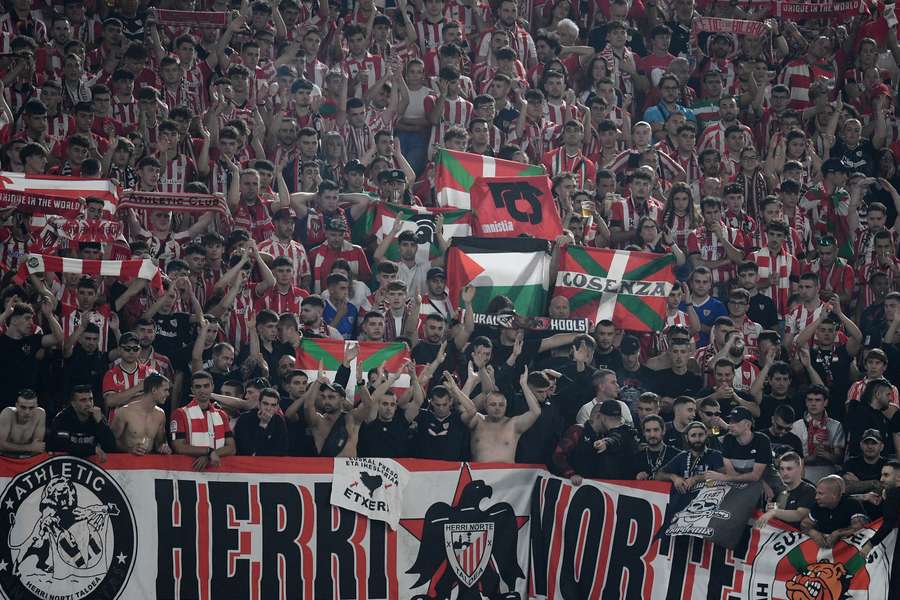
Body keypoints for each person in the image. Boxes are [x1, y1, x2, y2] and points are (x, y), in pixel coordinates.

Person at [446, 367, 541, 463]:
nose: (497, 408)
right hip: (478, 475)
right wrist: (464, 384)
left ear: (506, 406)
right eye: (493, 404)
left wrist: (524, 385)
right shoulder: (477, 421)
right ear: (485, 406)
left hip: (507, 476)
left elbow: (536, 412)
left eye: (501, 405)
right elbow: (461, 408)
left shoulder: (513, 424)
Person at [553, 400, 639, 484]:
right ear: (599, 416)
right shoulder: (578, 431)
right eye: (610, 419)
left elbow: (619, 437)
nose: (614, 423)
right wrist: (571, 474)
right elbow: (559, 455)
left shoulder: (609, 436)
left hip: (598, 489)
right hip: (576, 487)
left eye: (617, 419)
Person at [170, 371, 237, 470]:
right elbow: (178, 447)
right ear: (192, 390)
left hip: (218, 472)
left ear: (212, 387)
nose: (202, 390)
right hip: (189, 470)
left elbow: (231, 448)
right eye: (198, 387)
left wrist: (209, 455)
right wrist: (208, 452)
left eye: (206, 386)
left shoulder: (222, 415)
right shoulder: (180, 414)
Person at [656, 421, 729, 493]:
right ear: (687, 438)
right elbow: (658, 475)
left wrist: (697, 479)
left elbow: (725, 477)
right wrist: (674, 478)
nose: (697, 439)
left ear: (706, 436)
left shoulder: (715, 455)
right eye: (693, 435)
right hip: (684, 501)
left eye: (700, 435)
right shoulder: (682, 456)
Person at [47, 385, 117, 459]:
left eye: (91, 399)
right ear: (73, 404)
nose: (89, 404)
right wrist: (92, 449)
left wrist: (100, 423)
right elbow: (61, 445)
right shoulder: (63, 418)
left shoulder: (98, 416)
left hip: (91, 466)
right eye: (83, 400)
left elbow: (111, 447)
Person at [110, 373, 171, 455]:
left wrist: (164, 448)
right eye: (165, 390)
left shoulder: (160, 415)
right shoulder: (124, 412)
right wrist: (129, 449)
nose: (168, 394)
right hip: (127, 462)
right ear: (154, 390)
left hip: (148, 464)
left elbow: (159, 444)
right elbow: (110, 442)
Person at [800, 475, 868, 548]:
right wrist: (813, 533)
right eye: (816, 493)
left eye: (820, 493)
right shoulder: (817, 505)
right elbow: (804, 524)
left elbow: (860, 527)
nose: (816, 497)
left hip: (850, 548)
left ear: (834, 495)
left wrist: (838, 533)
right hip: (825, 549)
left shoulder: (852, 503)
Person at [755, 452, 816, 527]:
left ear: (800, 469)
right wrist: (769, 509)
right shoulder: (778, 491)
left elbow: (799, 515)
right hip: (778, 533)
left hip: (799, 535)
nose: (785, 473)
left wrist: (774, 512)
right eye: (782, 469)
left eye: (789, 469)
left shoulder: (808, 490)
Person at [860, 460, 900, 558]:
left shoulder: (894, 493)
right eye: (881, 475)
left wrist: (870, 544)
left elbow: (889, 523)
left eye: (886, 475)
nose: (881, 479)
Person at [234, 387, 289, 456]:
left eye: (273, 405)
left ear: (277, 407)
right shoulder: (244, 419)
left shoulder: (279, 420)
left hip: (271, 463)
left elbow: (282, 450)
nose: (268, 408)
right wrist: (263, 424)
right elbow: (248, 450)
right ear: (259, 404)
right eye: (265, 404)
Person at [0, 389, 46, 457]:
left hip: (27, 460)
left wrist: (31, 448)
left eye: (31, 408)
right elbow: (0, 445)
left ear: (36, 406)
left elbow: (37, 448)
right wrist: (29, 447)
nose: (27, 412)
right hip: (5, 459)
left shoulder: (40, 414)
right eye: (23, 407)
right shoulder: (7, 413)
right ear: (16, 406)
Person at [634, 414, 681, 480]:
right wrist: (636, 478)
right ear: (643, 433)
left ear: (663, 431)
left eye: (656, 430)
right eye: (648, 430)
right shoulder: (636, 459)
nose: (652, 435)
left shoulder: (677, 455)